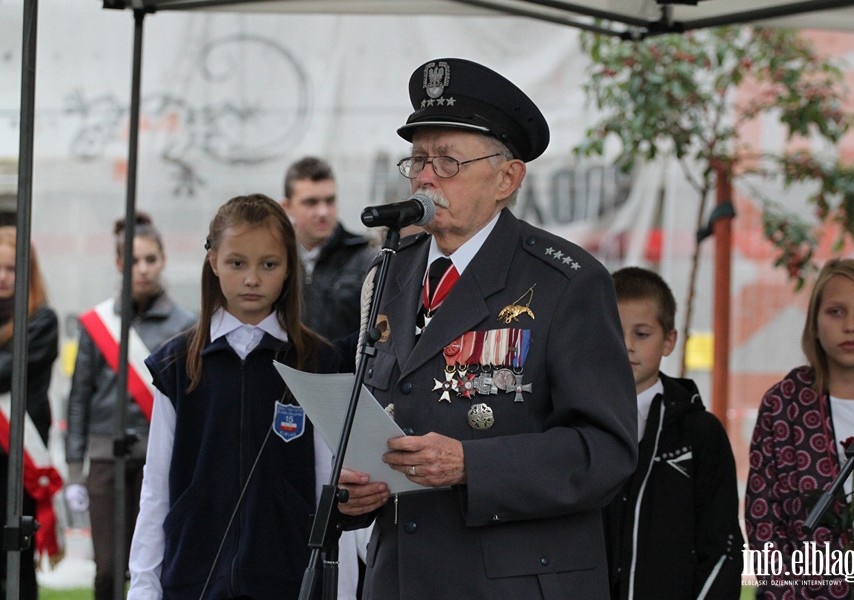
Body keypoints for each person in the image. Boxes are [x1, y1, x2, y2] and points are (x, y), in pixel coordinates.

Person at [336, 58, 637, 599]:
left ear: (507, 178)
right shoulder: (391, 271)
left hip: (510, 583)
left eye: (447, 161)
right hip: (401, 578)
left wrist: (471, 464)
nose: (426, 176)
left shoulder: (566, 282)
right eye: (419, 159)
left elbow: (606, 453)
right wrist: (357, 491)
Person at [128, 194, 360, 599]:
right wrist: (144, 586)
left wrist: (340, 591)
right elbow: (157, 486)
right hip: (194, 577)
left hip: (289, 579)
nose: (252, 278)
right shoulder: (177, 365)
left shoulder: (319, 362)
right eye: (237, 263)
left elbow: (332, 488)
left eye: (268, 264)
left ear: (288, 268)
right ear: (214, 262)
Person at [746, 258, 854, 598]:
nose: (850, 326)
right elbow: (765, 523)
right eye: (836, 311)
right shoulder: (783, 405)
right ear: (814, 323)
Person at [64, 212, 195, 600]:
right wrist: (74, 470)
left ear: (163, 260)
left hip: (162, 458)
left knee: (157, 564)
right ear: (119, 264)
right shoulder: (95, 324)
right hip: (105, 461)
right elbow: (79, 398)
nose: (143, 269)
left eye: (150, 259)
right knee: (107, 570)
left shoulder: (186, 324)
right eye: (134, 261)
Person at [604, 266, 743, 599]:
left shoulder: (701, 432)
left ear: (669, 341)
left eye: (642, 333)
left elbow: (722, 545)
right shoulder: (573, 423)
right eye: (614, 330)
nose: (627, 345)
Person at [0, 226, 60, 600]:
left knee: (18, 557)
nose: (3, 277)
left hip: (18, 457)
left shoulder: (43, 320)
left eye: (12, 268)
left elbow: (8, 373)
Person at [281, 156, 377, 340]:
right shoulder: (275, 259)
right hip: (285, 367)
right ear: (287, 207)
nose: (323, 212)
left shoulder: (366, 259)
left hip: (346, 368)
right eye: (311, 202)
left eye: (330, 201)